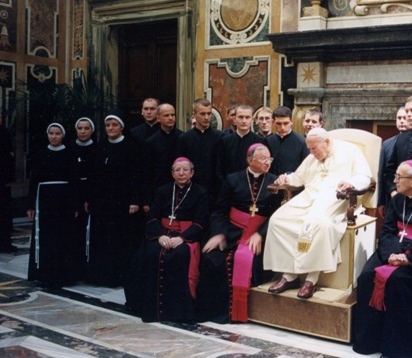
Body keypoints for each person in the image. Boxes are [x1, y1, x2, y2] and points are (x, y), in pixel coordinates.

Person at [264, 127, 371, 299]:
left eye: (314, 148)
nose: (311, 153)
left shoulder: (351, 151)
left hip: (337, 198)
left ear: (327, 142)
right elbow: (299, 177)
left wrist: (351, 182)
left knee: (319, 224)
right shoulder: (313, 155)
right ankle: (289, 275)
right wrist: (286, 178)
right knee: (278, 220)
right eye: (310, 149)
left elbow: (365, 177)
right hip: (310, 196)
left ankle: (311, 280)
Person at [353, 160, 412, 357]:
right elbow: (387, 231)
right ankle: (368, 342)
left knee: (397, 281)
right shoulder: (396, 199)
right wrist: (391, 254)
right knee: (367, 277)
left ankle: (394, 348)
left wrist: (409, 259)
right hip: (392, 249)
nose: (395, 181)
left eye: (398, 177)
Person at [196, 144, 282, 323]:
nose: (268, 163)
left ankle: (238, 312)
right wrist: (219, 233)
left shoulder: (274, 182)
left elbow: (277, 215)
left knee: (247, 260)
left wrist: (260, 234)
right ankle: (214, 311)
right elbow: (219, 211)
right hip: (231, 231)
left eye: (269, 159)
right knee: (211, 259)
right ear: (250, 160)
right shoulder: (232, 179)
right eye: (263, 159)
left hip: (258, 235)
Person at [131, 157, 209, 323]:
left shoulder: (201, 192)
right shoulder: (163, 190)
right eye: (177, 170)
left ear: (192, 173)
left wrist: (182, 238)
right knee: (148, 254)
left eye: (185, 170)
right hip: (163, 234)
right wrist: (160, 236)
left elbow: (200, 222)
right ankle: (150, 308)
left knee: (179, 255)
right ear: (172, 173)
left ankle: (177, 311)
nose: (181, 173)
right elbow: (152, 217)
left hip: (186, 236)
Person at [85, 110, 141, 287]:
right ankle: (100, 276)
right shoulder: (99, 147)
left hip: (122, 202)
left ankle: (118, 277)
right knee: (101, 239)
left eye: (114, 124)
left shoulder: (131, 148)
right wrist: (88, 199)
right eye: (107, 125)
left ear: (122, 127)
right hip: (101, 202)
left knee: (120, 239)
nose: (110, 128)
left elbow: (136, 176)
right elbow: (92, 176)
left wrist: (134, 200)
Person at [26, 123, 78, 288]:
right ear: (47, 135)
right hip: (44, 202)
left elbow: (75, 182)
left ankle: (64, 275)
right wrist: (30, 205)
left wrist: (75, 205)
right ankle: (45, 274)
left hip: (64, 201)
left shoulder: (70, 154)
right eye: (51, 133)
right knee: (46, 238)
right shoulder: (40, 154)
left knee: (63, 237)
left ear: (63, 135)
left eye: (57, 133)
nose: (54, 136)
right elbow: (34, 181)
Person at [70, 117, 97, 280]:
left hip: (91, 194)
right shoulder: (70, 149)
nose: (83, 131)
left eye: (86, 128)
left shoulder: (98, 148)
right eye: (80, 128)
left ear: (92, 130)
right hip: (73, 194)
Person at [178, 98, 222, 200]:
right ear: (194, 114)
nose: (206, 117)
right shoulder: (184, 138)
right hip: (191, 188)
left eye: (209, 113)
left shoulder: (220, 137)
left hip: (214, 189)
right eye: (202, 114)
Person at [143, 103, 182, 208]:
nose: (170, 118)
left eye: (173, 115)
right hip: (158, 189)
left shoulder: (183, 138)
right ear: (158, 118)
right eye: (166, 115)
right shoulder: (151, 142)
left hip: (180, 188)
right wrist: (147, 200)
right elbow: (147, 171)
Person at [217, 104, 266, 182]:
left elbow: (263, 166)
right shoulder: (225, 141)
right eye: (240, 117)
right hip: (229, 187)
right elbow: (219, 167)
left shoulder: (260, 141)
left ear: (252, 119)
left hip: (253, 186)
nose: (244, 121)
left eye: (247, 117)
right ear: (235, 119)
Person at [266, 106, 309, 176]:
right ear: (273, 122)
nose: (282, 127)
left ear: (291, 121)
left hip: (293, 183)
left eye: (286, 123)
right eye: (279, 124)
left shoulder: (302, 142)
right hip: (271, 183)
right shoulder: (268, 141)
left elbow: (305, 168)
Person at [378, 107, 408, 207]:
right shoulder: (387, 144)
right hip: (391, 194)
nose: (402, 121)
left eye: (405, 118)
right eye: (399, 118)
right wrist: (380, 202)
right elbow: (382, 173)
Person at [0, 114, 16, 253]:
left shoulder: (4, 133)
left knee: (3, 214)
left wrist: (9, 178)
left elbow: (9, 156)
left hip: (2, 181)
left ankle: (5, 243)